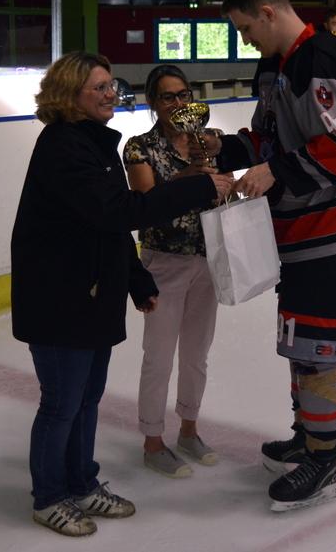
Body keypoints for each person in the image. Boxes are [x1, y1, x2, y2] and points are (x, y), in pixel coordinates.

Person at [10, 52, 233, 536]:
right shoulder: (63, 147)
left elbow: (107, 225)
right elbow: (119, 212)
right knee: (62, 403)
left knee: (87, 398)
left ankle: (82, 484)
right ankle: (49, 497)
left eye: (112, 85)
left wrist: (135, 278)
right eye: (100, 88)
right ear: (71, 95)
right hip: (60, 297)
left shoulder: (92, 144)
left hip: (92, 293)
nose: (112, 94)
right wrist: (197, 188)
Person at [198, 0, 336, 512]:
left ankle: (325, 460)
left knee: (317, 349)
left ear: (268, 12)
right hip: (304, 228)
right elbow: (268, 136)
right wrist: (225, 146)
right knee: (300, 340)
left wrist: (273, 172)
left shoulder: (321, 59)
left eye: (243, 27)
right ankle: (309, 437)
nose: (243, 39)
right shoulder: (277, 65)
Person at [123, 65, 223, 479]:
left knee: (197, 354)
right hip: (164, 260)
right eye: (168, 97)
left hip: (208, 257)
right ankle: (152, 441)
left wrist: (219, 172)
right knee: (159, 357)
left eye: (184, 94)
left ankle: (189, 429)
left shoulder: (207, 140)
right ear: (153, 102)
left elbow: (222, 187)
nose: (178, 103)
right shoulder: (139, 148)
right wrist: (191, 175)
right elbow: (147, 201)